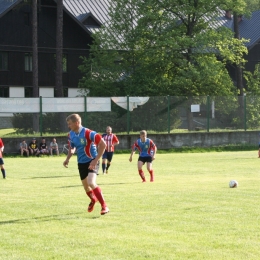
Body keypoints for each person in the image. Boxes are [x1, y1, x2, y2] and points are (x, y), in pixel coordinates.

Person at [63, 113, 109, 215]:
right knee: (86, 187)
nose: (68, 126)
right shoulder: (70, 134)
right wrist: (67, 159)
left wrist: (96, 160)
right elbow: (72, 147)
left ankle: (104, 206)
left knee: (91, 182)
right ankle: (93, 200)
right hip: (81, 163)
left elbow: (103, 144)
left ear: (77, 123)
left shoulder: (89, 133)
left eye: (70, 124)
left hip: (92, 160)